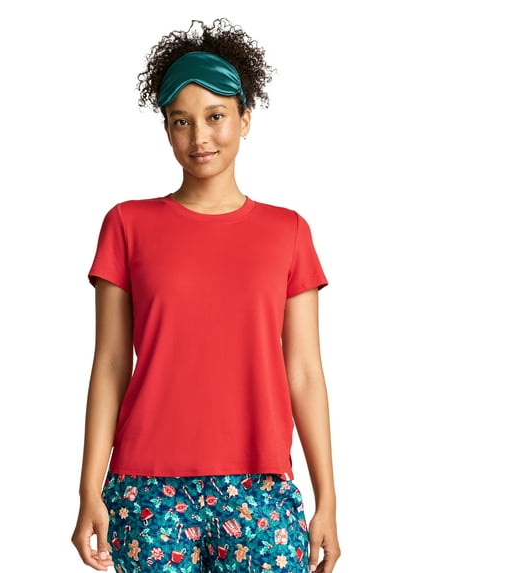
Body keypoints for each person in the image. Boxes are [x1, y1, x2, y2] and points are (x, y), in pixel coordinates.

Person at [71, 17, 341, 573]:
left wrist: (327, 501)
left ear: (245, 118)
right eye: (181, 121)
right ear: (166, 128)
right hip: (147, 489)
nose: (199, 137)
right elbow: (111, 364)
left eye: (216, 116)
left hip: (260, 487)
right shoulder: (127, 225)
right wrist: (88, 490)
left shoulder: (288, 232)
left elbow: (305, 372)